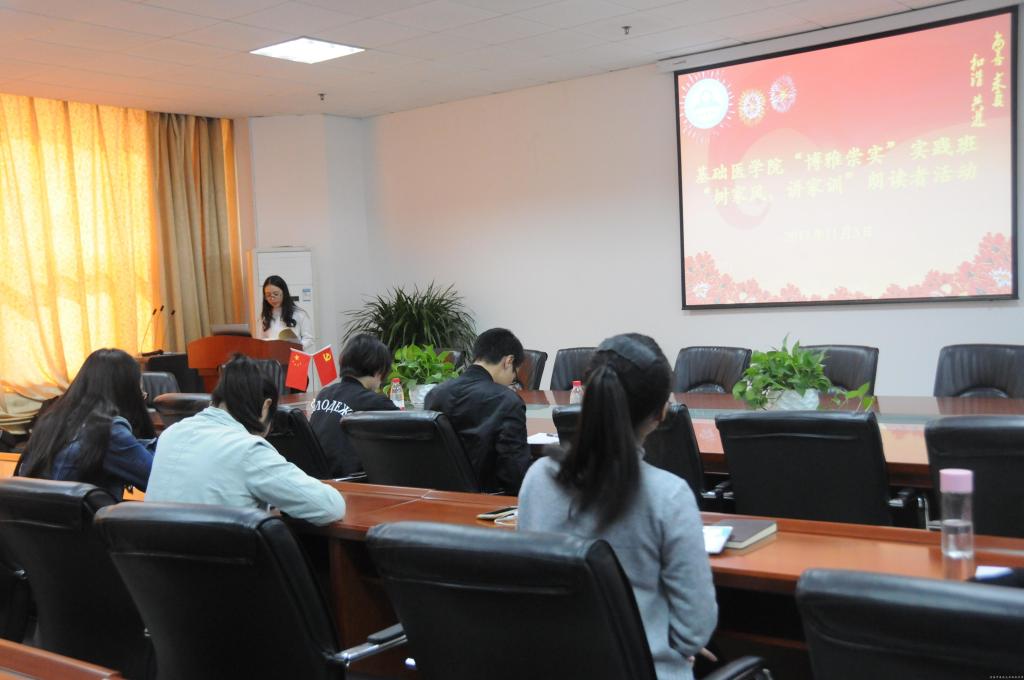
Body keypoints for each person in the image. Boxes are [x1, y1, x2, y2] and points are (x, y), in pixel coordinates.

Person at [517, 334, 717, 680]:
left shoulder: (538, 478)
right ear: (661, 412)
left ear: (587, 397)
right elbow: (694, 632)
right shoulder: (668, 495)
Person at [145, 354, 345, 525]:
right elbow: (330, 507)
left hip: (155, 557)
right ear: (266, 407)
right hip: (218, 557)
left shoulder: (170, 434)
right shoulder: (247, 449)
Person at [18, 348, 155, 500]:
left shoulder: (51, 420)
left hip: (34, 513)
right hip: (77, 514)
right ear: (127, 394)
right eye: (141, 395)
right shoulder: (108, 431)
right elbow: (158, 479)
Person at [424, 328, 532, 495]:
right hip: (489, 501)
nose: (512, 380)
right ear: (508, 361)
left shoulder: (435, 394)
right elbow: (514, 471)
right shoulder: (507, 400)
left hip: (439, 497)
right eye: (515, 374)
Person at [309, 333, 398, 476]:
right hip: (350, 481)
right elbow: (407, 433)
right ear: (379, 370)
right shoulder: (376, 402)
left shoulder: (324, 394)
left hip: (315, 478)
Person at [260, 275, 313, 352]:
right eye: (268, 295)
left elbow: (309, 339)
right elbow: (263, 339)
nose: (272, 298)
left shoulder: (299, 314)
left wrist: (296, 348)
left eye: (276, 294)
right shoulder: (266, 316)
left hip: (294, 356)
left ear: (284, 293)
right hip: (273, 357)